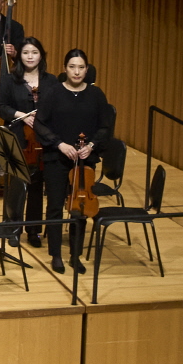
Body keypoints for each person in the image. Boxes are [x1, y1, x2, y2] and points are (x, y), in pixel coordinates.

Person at [35, 47, 119, 276]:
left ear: (87, 69)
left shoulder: (96, 95)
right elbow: (40, 123)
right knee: (55, 207)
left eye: (81, 67)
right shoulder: (53, 92)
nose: (77, 71)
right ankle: (56, 255)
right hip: (56, 158)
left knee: (80, 208)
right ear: (65, 68)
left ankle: (75, 255)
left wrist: (90, 145)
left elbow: (105, 126)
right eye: (72, 67)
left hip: (84, 161)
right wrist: (59, 144)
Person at [0, 36, 49, 241]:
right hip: (16, 136)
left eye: (34, 52)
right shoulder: (9, 80)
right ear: (19, 56)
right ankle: (13, 227)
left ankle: (33, 230)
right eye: (25, 53)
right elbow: (1, 107)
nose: (30, 57)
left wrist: (41, 116)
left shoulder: (50, 81)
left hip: (41, 140)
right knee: (15, 184)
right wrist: (22, 115)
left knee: (36, 185)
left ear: (41, 56)